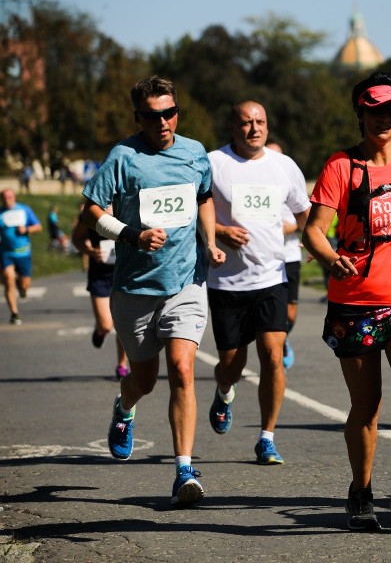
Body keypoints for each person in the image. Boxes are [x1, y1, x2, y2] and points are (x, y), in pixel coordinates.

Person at [302, 72, 391, 533]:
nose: (383, 118)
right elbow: (313, 231)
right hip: (355, 302)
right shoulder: (340, 167)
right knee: (367, 407)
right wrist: (331, 259)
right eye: (374, 109)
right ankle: (361, 490)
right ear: (360, 114)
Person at [81, 75, 226, 508]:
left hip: (186, 282)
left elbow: (203, 197)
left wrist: (212, 241)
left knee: (182, 369)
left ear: (177, 112)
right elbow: (89, 211)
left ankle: (184, 469)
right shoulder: (123, 157)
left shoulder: (195, 152)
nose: (162, 122)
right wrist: (130, 235)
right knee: (143, 381)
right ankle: (124, 409)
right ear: (138, 117)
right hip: (134, 288)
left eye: (169, 113)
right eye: (151, 115)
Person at [206, 101, 310, 465]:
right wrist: (218, 231)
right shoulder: (213, 163)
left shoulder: (284, 166)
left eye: (260, 122)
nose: (254, 128)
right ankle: (224, 390)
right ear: (233, 128)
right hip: (226, 282)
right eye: (246, 123)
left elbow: (304, 211)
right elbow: (192, 210)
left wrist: (315, 243)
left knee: (272, 357)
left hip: (271, 277)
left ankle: (267, 437)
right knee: (232, 365)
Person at [71, 204, 129, 380]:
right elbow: (77, 239)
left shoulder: (129, 205)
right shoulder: (91, 210)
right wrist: (90, 251)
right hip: (100, 275)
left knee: (123, 325)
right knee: (106, 324)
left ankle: (122, 365)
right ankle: (100, 331)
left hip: (125, 273)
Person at [265, 140, 300, 370]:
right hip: (267, 257)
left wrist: (287, 227)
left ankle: (283, 337)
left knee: (291, 311)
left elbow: (303, 214)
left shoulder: (290, 177)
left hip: (290, 254)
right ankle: (274, 342)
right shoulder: (257, 183)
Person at [0, 188, 42, 325]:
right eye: (4, 197)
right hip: (6, 253)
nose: (7, 199)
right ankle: (14, 313)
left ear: (14, 197)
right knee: (8, 278)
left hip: (23, 253)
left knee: (25, 285)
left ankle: (22, 288)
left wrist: (27, 229)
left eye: (10, 197)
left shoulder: (24, 210)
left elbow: (38, 226)